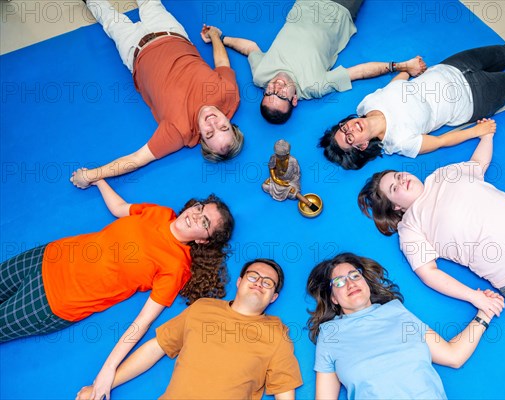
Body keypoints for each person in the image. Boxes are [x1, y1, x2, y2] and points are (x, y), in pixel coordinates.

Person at [358, 129, 505, 347]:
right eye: (394, 188)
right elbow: (428, 272)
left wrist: (486, 136)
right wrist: (474, 297)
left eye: (398, 175)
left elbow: (478, 163)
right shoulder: (410, 227)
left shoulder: (441, 175)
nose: (402, 180)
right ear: (396, 207)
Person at [0, 178, 234, 399]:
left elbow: (142, 323)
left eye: (205, 222)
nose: (195, 215)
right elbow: (119, 207)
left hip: (53, 299)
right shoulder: (160, 213)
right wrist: (99, 179)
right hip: (47, 255)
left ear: (203, 240)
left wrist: (108, 371)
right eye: (200, 208)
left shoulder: (177, 267)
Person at [320, 26, 505, 169]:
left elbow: (392, 87)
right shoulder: (399, 141)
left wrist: (407, 68)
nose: (348, 129)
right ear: (360, 146)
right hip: (474, 96)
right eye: (347, 138)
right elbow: (441, 141)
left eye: (343, 127)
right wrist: (476, 132)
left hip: (452, 66)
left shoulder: (366, 105)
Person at [71, 0, 244, 189]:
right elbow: (222, 63)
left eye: (210, 133)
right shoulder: (228, 95)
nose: (212, 122)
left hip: (134, 49)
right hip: (170, 32)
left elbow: (136, 159)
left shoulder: (179, 132)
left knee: (109, 19)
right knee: (150, 3)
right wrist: (215, 35)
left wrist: (90, 175)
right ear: (230, 123)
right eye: (223, 127)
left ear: (202, 138)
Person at [76, 259, 303, 400]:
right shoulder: (203, 307)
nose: (259, 282)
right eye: (253, 276)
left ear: (273, 297)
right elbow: (156, 348)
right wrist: (99, 387)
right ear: (240, 281)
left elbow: (284, 389)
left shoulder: (276, 334)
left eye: (268, 282)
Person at [307, 253, 500, 399]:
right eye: (339, 282)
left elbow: (453, 356)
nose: (350, 283)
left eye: (354, 275)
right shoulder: (330, 334)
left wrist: (484, 314)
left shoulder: (396, 312)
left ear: (365, 282)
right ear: (333, 298)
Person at [217, 0, 426, 124]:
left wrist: (220, 37)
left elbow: (250, 48)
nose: (275, 87)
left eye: (269, 93)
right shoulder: (314, 86)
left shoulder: (260, 75)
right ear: (294, 99)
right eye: (281, 95)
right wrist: (402, 66)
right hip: (340, 8)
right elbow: (359, 72)